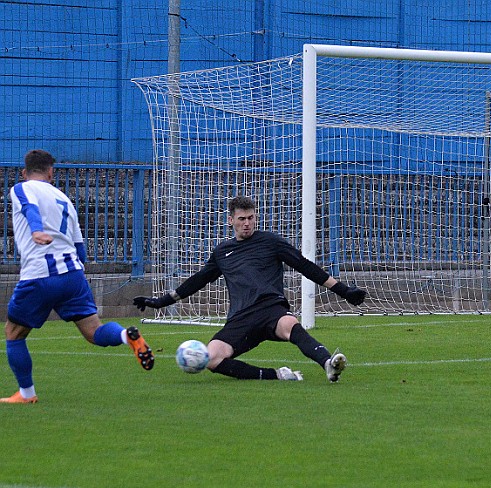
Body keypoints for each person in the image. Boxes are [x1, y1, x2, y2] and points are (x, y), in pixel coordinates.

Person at [133, 196, 366, 382]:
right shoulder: (222, 252)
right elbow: (197, 281)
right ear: (231, 220)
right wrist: (160, 302)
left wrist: (344, 291)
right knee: (211, 358)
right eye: (242, 218)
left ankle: (328, 364)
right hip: (240, 318)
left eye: (251, 218)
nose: (247, 223)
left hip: (270, 308)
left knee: (290, 325)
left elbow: (305, 267)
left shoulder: (271, 241)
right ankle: (275, 374)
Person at [1, 150, 155, 405]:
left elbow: (29, 208)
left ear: (24, 172)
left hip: (39, 274)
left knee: (14, 332)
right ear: (52, 172)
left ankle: (26, 394)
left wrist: (37, 231)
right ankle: (125, 336)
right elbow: (80, 249)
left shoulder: (22, 188)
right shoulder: (65, 200)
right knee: (94, 332)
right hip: (73, 275)